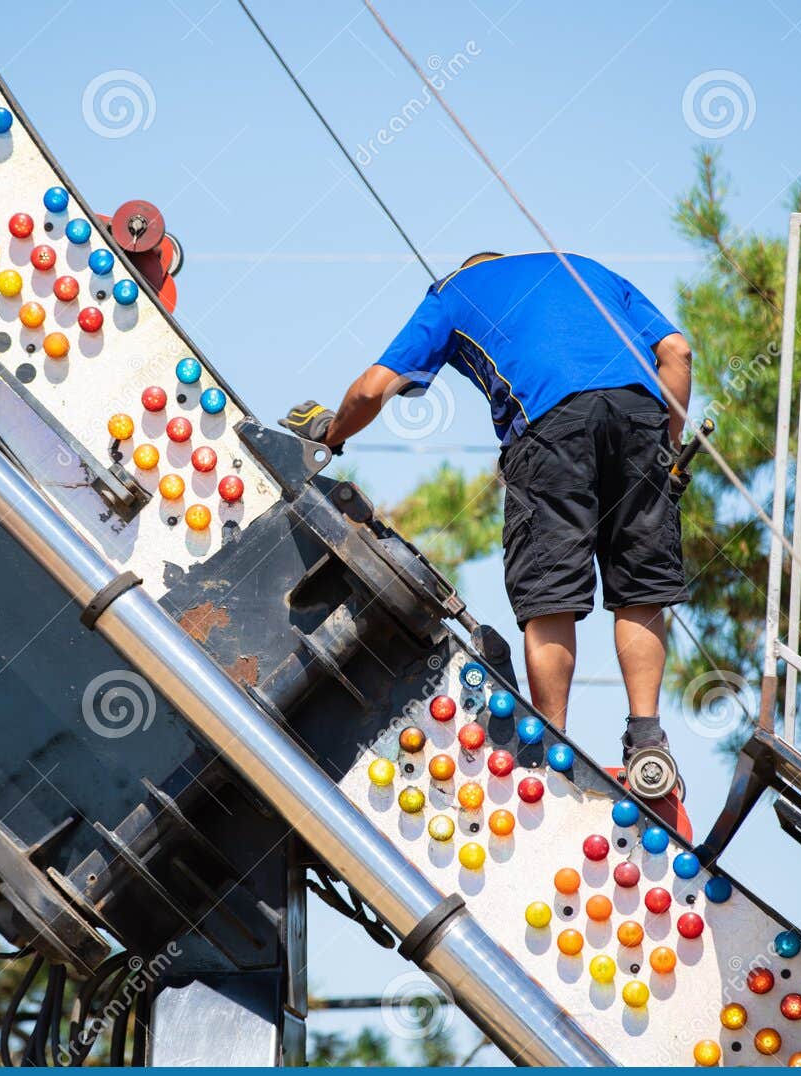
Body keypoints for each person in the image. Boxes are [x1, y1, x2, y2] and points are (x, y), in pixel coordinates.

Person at [281, 251, 692, 765]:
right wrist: (666, 453)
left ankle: (551, 747)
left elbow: (373, 387)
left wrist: (331, 433)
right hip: (642, 414)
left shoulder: (455, 290)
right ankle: (648, 739)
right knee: (640, 589)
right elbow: (676, 353)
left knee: (550, 595)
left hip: (550, 425)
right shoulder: (583, 268)